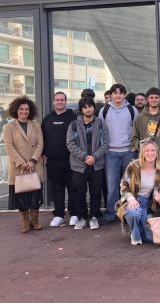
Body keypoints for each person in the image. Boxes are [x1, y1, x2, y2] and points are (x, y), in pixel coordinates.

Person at [67, 97, 109, 230]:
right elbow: (70, 143)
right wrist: (84, 156)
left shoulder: (101, 124)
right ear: (81, 110)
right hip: (79, 165)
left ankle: (94, 217)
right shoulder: (74, 124)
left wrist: (94, 157)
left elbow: (105, 143)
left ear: (94, 108)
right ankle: (82, 218)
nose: (88, 109)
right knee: (79, 193)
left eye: (90, 106)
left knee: (95, 193)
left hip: (96, 164)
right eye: (85, 107)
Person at [99, 83, 138, 223]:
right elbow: (100, 130)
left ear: (124, 95)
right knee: (112, 186)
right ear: (111, 95)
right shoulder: (104, 110)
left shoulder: (132, 109)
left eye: (120, 93)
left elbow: (136, 129)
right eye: (115, 93)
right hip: (110, 153)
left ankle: (129, 212)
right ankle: (111, 213)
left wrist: (135, 146)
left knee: (130, 184)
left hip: (129, 152)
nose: (118, 95)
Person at [4, 96, 44, 233]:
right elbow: (9, 147)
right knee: (21, 198)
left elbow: (40, 144)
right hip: (18, 167)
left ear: (30, 111)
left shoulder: (36, 125)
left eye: (27, 109)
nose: (24, 111)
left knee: (35, 196)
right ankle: (25, 221)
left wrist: (33, 160)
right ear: (16, 110)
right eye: (21, 109)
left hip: (34, 165)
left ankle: (35, 220)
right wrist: (21, 162)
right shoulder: (9, 127)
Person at [117, 140, 160, 245]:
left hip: (148, 205)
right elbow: (123, 185)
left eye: (153, 150)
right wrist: (130, 198)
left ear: (157, 153)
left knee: (152, 237)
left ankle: (139, 228)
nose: (150, 153)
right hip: (133, 199)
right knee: (134, 213)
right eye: (147, 150)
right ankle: (134, 234)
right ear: (142, 153)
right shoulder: (133, 166)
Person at [41, 91, 77, 227]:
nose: (60, 102)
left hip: (71, 160)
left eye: (62, 99)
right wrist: (43, 153)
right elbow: (41, 138)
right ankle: (59, 215)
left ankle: (74, 214)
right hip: (53, 161)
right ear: (53, 101)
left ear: (66, 101)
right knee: (57, 189)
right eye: (57, 99)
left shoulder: (73, 117)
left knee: (73, 188)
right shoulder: (47, 118)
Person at [130, 87, 160, 172]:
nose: (154, 100)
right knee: (145, 180)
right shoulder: (139, 118)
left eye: (156, 97)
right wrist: (145, 151)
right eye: (151, 97)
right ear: (147, 99)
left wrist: (159, 152)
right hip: (145, 158)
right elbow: (134, 138)